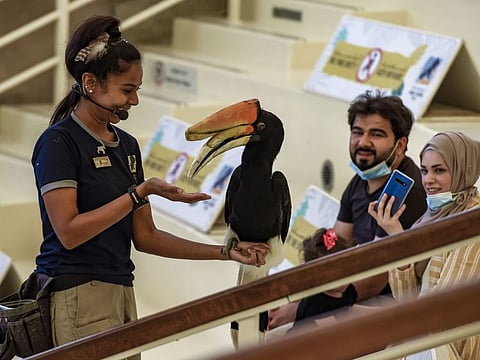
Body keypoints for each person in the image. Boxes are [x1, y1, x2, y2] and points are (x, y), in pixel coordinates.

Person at [30, 15, 269, 358]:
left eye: (137, 90)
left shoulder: (126, 146)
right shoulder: (59, 142)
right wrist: (138, 194)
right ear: (90, 83)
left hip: (121, 292)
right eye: (127, 91)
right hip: (78, 294)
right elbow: (69, 232)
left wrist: (225, 252)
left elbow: (146, 237)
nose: (134, 101)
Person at [268, 90, 427, 331]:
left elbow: (374, 280)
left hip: (394, 303)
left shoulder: (405, 191)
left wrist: (304, 307)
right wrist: (294, 296)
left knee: (290, 335)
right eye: (357, 132)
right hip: (353, 291)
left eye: (377, 134)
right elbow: (333, 246)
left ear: (401, 144)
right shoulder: (360, 181)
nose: (363, 142)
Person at [369, 131, 480, 359]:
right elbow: (405, 296)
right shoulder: (434, 216)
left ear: (464, 170)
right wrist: (397, 237)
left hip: (445, 345)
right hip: (419, 335)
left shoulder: (471, 224)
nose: (428, 180)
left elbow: (440, 309)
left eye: (439, 170)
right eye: (424, 170)